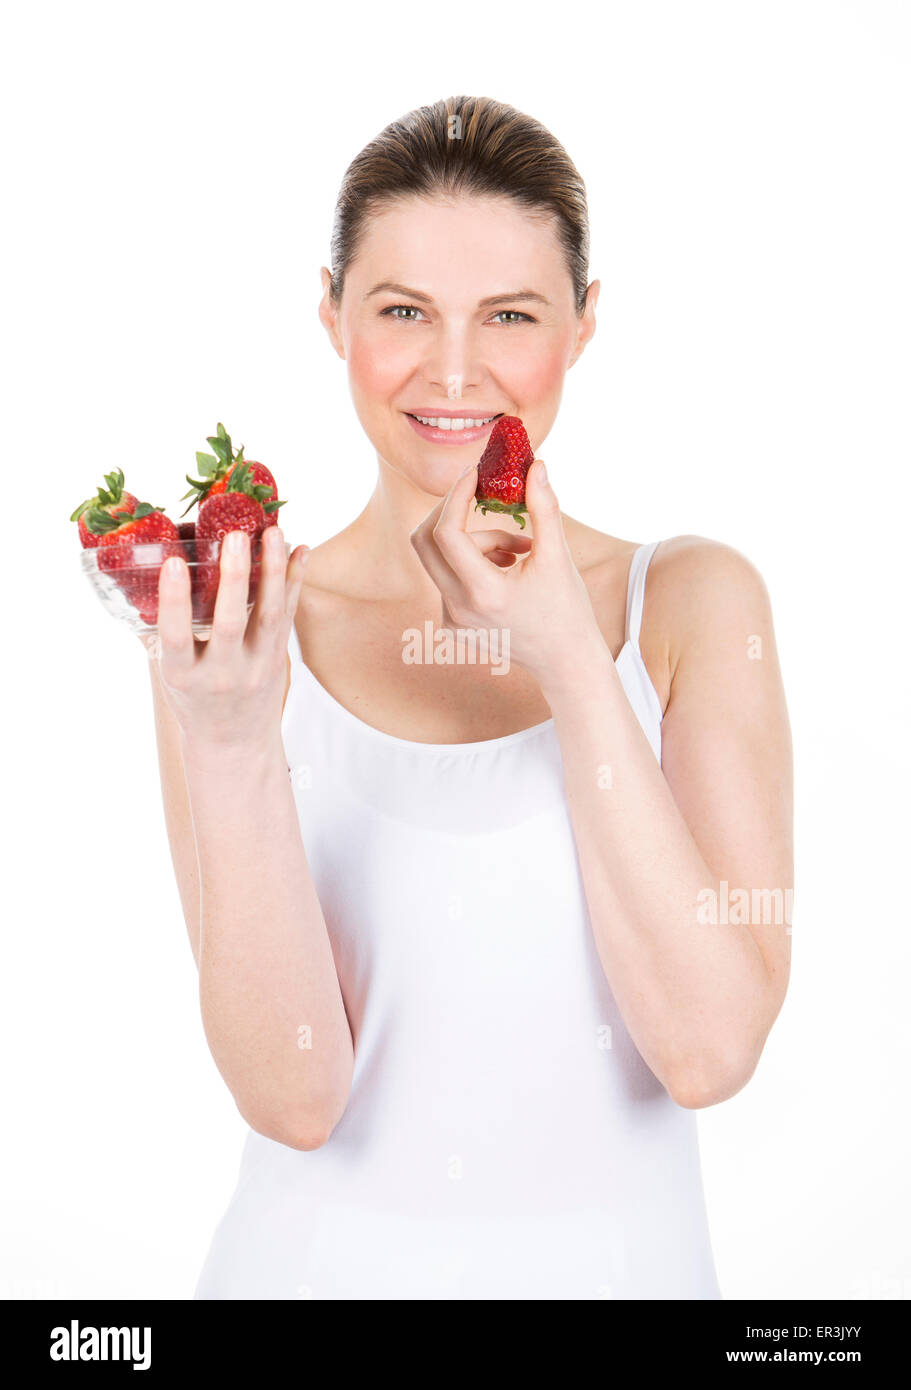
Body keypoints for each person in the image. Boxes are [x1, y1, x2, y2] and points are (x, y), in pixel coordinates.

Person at [147, 95, 793, 1299]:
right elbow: (293, 1097)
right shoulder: (234, 635)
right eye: (402, 311)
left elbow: (706, 1049)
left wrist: (567, 660)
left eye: (509, 314)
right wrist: (231, 737)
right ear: (331, 311)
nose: (453, 371)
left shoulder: (692, 604)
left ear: (584, 324)